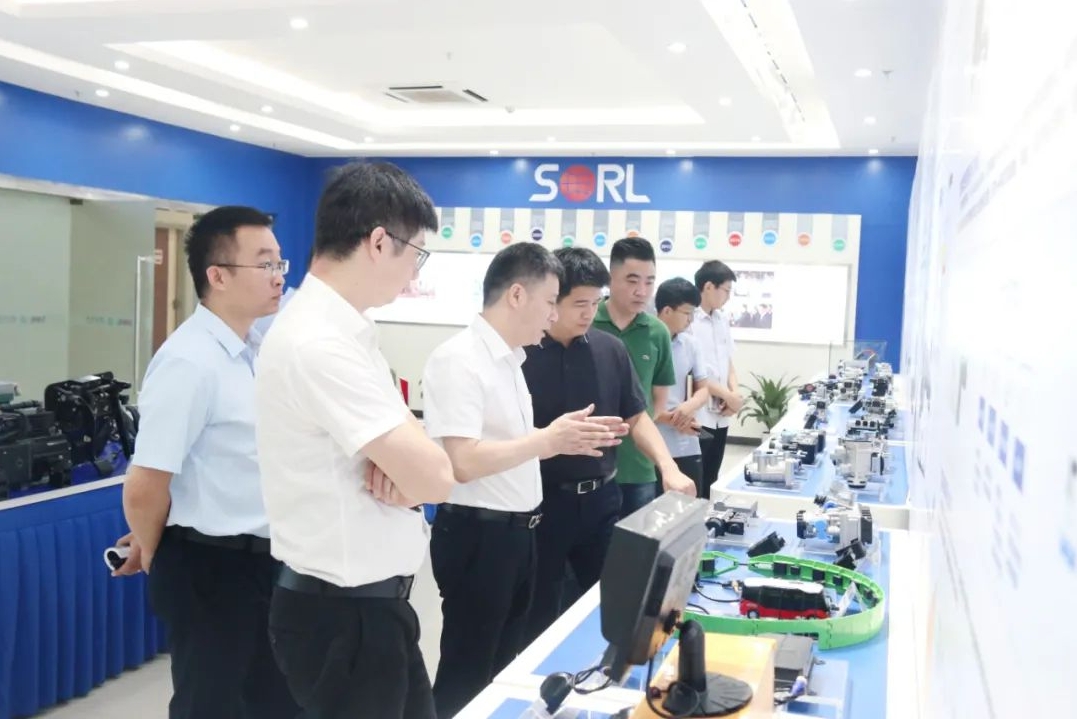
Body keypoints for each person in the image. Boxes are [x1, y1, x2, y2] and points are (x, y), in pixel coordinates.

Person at [253, 161, 457, 719]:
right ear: (378, 242)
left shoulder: (345, 332)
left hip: (371, 610)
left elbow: (420, 468)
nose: (413, 275)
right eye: (415, 254)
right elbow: (437, 475)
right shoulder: (319, 343)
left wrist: (412, 475)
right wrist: (416, 476)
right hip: (343, 619)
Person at [421, 242, 626, 719]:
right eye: (550, 301)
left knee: (505, 666)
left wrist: (558, 438)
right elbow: (462, 461)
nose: (554, 315)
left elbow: (514, 444)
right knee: (467, 671)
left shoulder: (511, 359)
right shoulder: (460, 359)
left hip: (520, 533)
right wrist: (547, 441)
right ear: (517, 295)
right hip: (478, 534)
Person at [116, 206, 299, 719]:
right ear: (217, 276)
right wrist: (160, 551)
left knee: (278, 702)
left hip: (265, 561)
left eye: (280, 262)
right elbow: (146, 483)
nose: (278, 276)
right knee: (211, 704)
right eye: (264, 263)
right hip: (210, 567)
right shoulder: (189, 361)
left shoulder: (254, 349)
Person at [522, 247, 697, 643]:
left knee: (609, 606)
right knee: (540, 613)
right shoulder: (524, 353)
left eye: (594, 302)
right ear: (552, 300)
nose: (589, 313)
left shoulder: (609, 350)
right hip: (541, 504)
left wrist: (668, 467)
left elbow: (637, 416)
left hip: (602, 501)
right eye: (578, 304)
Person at [592, 237, 691, 517]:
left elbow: (657, 402)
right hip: (591, 465)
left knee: (637, 542)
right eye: (632, 280)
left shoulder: (657, 332)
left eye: (649, 282)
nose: (642, 291)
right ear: (611, 278)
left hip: (640, 465)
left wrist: (639, 428)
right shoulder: (586, 322)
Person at [688, 260, 745, 497]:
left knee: (712, 478)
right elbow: (693, 372)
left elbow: (728, 362)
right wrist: (728, 396)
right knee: (696, 480)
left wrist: (735, 394)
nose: (728, 297)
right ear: (709, 286)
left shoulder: (722, 319)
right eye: (726, 290)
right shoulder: (689, 320)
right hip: (699, 415)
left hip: (722, 414)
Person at [653, 277, 712, 498]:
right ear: (667, 311)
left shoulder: (690, 344)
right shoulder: (645, 342)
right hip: (653, 443)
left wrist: (689, 406)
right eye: (687, 313)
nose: (691, 320)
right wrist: (671, 419)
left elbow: (703, 389)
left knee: (690, 507)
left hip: (686, 442)